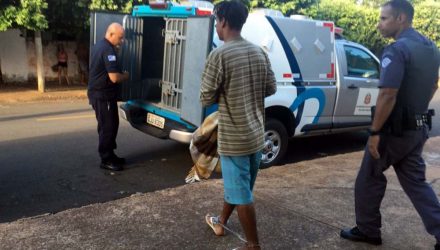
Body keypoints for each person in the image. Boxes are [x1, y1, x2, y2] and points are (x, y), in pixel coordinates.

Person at [340, 0, 440, 248]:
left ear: (401, 19)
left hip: (393, 131)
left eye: (384, 18)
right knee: (416, 182)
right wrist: (416, 111)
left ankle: (368, 230)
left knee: (368, 178)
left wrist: (375, 132)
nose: (379, 24)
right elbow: (433, 86)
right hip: (418, 126)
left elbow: (387, 94)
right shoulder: (431, 49)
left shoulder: (397, 50)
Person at [200, 1, 277, 249]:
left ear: (222, 21)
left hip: (234, 140)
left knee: (242, 194)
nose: (216, 27)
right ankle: (220, 221)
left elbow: (206, 97)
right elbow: (271, 88)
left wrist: (227, 89)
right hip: (256, 136)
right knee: (240, 187)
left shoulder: (219, 55)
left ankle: (253, 245)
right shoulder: (259, 53)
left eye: (216, 21)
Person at [88, 23, 129, 171]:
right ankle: (106, 159)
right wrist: (125, 76)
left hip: (102, 94)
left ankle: (111, 154)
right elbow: (114, 78)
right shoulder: (107, 50)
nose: (122, 41)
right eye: (120, 37)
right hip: (102, 95)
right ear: (111, 34)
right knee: (107, 126)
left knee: (112, 124)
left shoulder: (99, 45)